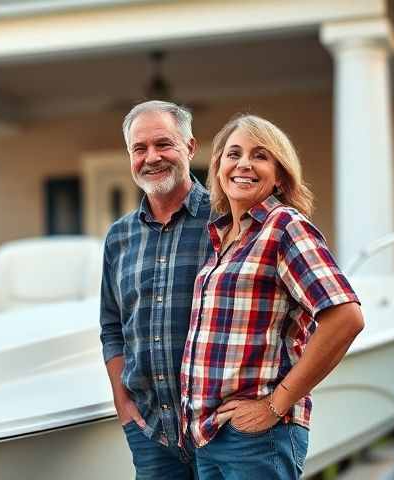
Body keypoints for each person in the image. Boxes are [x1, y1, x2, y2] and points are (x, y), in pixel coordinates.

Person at [180, 114, 365, 480]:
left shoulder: (284, 227)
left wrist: (275, 405)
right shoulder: (222, 239)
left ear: (279, 175)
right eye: (234, 154)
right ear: (218, 168)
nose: (244, 163)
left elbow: (346, 317)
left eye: (260, 155)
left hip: (256, 439)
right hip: (210, 434)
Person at [99, 100, 212, 479]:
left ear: (190, 148)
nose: (151, 157)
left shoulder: (226, 219)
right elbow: (112, 328)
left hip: (221, 430)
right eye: (139, 148)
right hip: (150, 432)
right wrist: (123, 404)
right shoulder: (118, 237)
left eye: (164, 144)